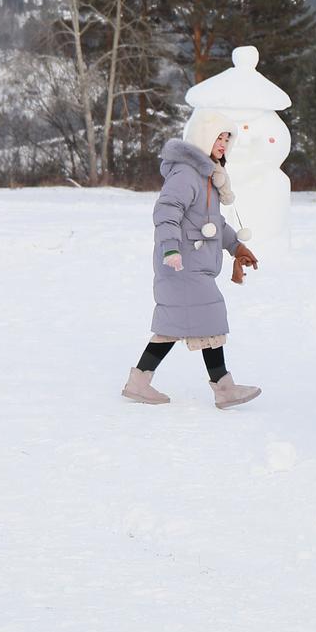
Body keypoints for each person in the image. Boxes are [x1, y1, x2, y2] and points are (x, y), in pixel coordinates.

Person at [122, 112, 264, 409]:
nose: (223, 143)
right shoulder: (187, 174)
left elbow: (214, 223)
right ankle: (223, 388)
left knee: (175, 326)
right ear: (203, 137)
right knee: (208, 316)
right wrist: (170, 250)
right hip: (181, 264)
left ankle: (139, 383)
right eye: (218, 137)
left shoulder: (207, 176)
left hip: (193, 264)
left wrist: (236, 246)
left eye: (227, 138)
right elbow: (166, 212)